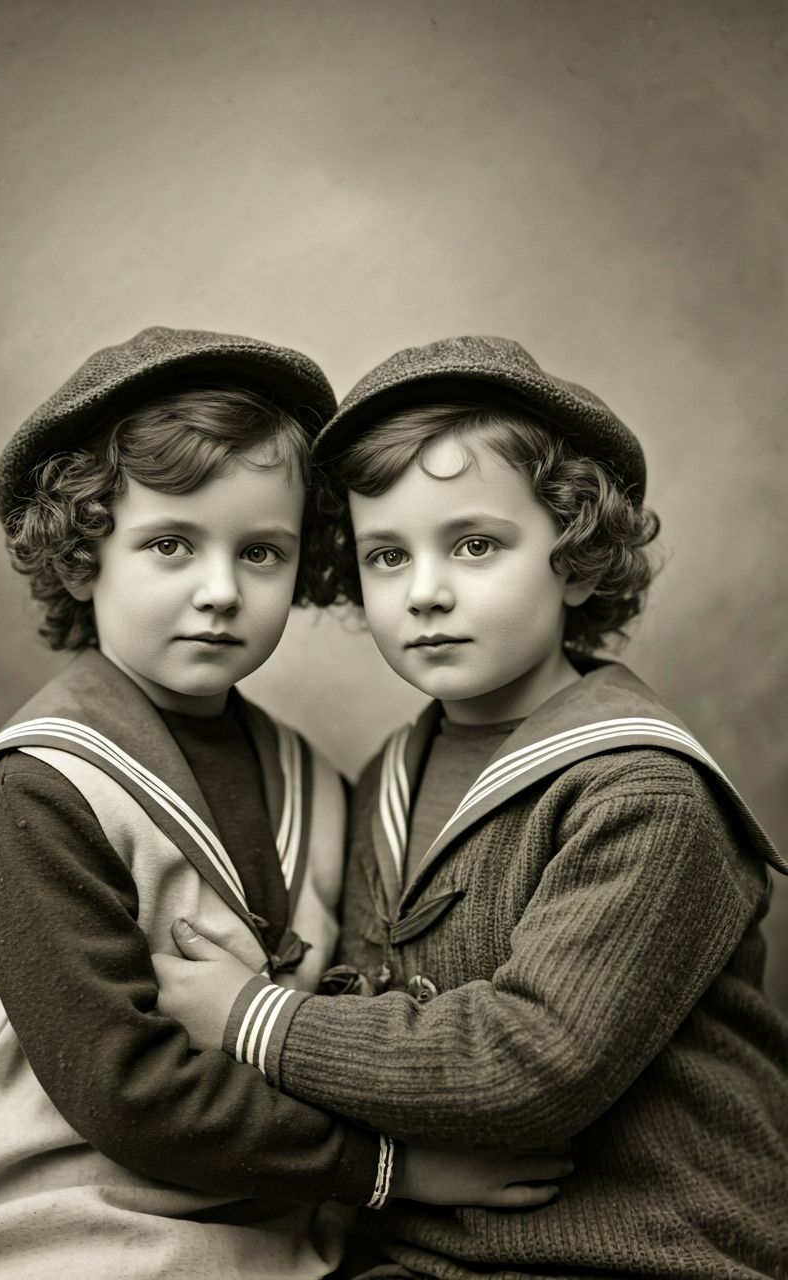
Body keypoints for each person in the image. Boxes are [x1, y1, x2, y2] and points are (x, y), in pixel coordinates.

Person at [0, 328, 569, 1280]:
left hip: (272, 1245)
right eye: (170, 544)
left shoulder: (317, 782)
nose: (220, 591)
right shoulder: (35, 793)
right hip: (48, 1240)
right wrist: (393, 1168)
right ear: (81, 556)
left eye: (260, 553)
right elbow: (125, 1090)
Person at [154, 336, 788, 1280]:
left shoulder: (644, 793)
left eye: (476, 545)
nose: (426, 593)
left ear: (576, 561)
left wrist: (254, 1019)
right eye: (386, 556)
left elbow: (535, 1065)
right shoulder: (386, 777)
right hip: (409, 1252)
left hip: (634, 1259)